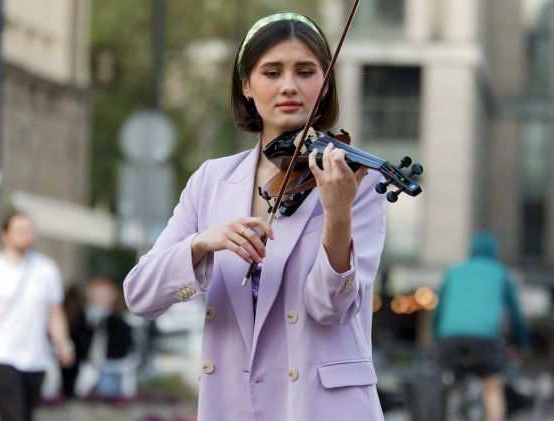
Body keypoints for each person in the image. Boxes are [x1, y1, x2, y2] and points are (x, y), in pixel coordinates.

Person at [124, 12, 387, 421]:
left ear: (326, 81)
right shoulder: (212, 180)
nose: (289, 86)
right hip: (233, 405)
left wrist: (337, 216)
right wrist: (202, 243)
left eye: (305, 71)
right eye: (271, 72)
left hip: (321, 408)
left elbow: (328, 309)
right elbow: (140, 294)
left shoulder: (355, 181)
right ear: (247, 85)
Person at [0, 211, 74, 421]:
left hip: (35, 358)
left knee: (26, 415)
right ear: (5, 235)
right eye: (20, 231)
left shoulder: (46, 270)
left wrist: (62, 343)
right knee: (13, 416)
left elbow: (54, 312)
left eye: (29, 231)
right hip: (0, 354)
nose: (26, 235)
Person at [433, 232, 528, 421]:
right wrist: (521, 343)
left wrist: (437, 338)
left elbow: (438, 311)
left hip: (449, 339)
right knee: (492, 387)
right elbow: (516, 314)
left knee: (450, 383)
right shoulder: (500, 272)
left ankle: (451, 406)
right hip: (485, 339)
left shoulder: (454, 271)